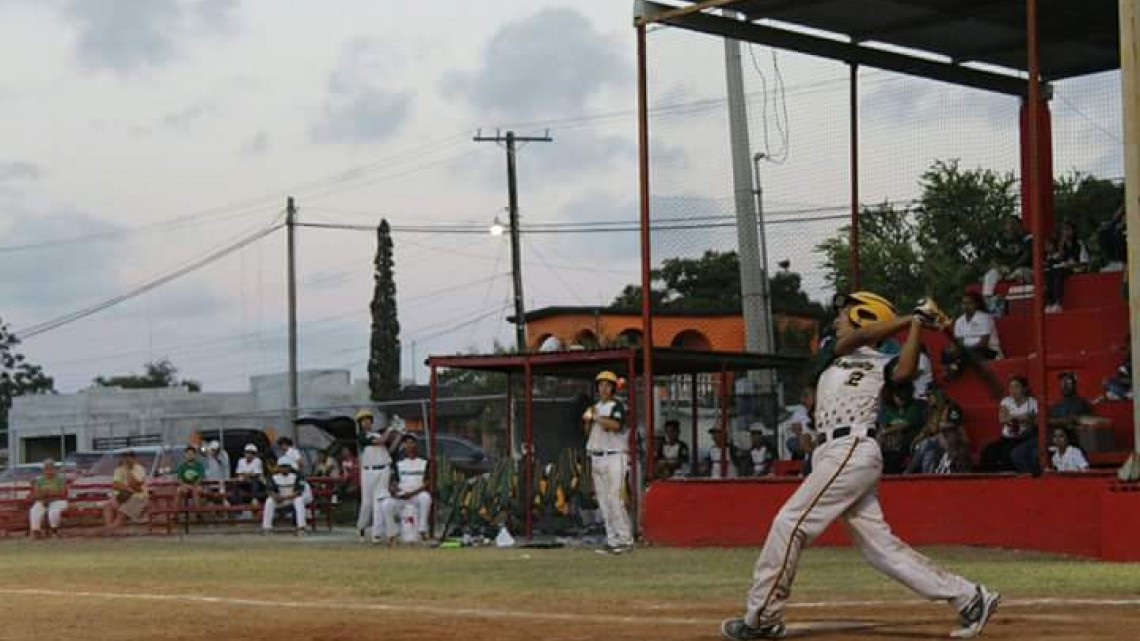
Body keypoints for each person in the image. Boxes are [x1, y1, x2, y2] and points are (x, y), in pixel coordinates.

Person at [720, 291, 999, 641]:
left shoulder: (882, 361)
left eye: (845, 313)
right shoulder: (833, 351)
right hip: (832, 451)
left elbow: (905, 370)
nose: (838, 320)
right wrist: (911, 317)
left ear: (865, 315)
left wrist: (916, 325)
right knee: (880, 549)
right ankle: (970, 597)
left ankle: (762, 617)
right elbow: (859, 337)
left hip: (851, 447)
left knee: (789, 523)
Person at [582, 370, 633, 555]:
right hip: (596, 455)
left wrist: (596, 417)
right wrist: (587, 421)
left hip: (614, 456)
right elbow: (588, 432)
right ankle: (612, 540)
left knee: (615, 499)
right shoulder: (594, 407)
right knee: (603, 502)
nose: (603, 389)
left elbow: (615, 425)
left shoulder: (617, 405)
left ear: (613, 388)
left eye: (607, 385)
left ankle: (625, 540)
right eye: (601, 385)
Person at [377, 434, 433, 544]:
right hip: (402, 496)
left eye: (411, 442)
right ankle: (392, 534)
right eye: (406, 443)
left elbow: (427, 482)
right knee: (386, 504)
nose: (409, 445)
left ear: (416, 444)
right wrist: (394, 490)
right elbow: (393, 481)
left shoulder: (424, 461)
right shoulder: (398, 461)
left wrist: (412, 493)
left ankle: (422, 530)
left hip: (416, 494)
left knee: (426, 498)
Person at [355, 408, 401, 540]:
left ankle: (377, 533)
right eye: (363, 421)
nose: (366, 423)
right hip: (368, 471)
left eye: (368, 420)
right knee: (367, 503)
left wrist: (400, 435)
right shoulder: (362, 436)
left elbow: (390, 450)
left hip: (383, 469)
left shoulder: (377, 434)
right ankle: (361, 526)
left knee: (379, 501)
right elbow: (380, 441)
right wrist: (390, 428)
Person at [980, 376, 1037, 473]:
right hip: (1007, 437)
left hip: (1023, 437)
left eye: (1016, 387)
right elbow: (1002, 419)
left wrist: (1012, 417)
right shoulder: (1006, 401)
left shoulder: (1032, 402)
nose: (1013, 390)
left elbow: (1034, 419)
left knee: (1008, 451)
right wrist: (1024, 417)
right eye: (1011, 387)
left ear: (1024, 389)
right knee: (988, 450)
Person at [942, 292, 1002, 380]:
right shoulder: (959, 321)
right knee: (947, 353)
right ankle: (954, 368)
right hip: (967, 352)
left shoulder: (984, 318)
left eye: (969, 303)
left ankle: (954, 370)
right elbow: (959, 342)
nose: (966, 306)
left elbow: (983, 343)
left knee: (968, 354)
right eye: (964, 304)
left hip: (988, 350)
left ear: (976, 304)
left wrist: (965, 347)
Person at [877, 383, 926, 474]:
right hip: (889, 446)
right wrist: (883, 433)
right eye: (898, 396)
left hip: (907, 442)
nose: (901, 398)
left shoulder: (915, 406)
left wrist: (886, 431)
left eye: (903, 395)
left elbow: (906, 424)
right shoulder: (888, 409)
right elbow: (882, 426)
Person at [1044, 220, 1090, 313]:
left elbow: (1084, 262)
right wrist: (1061, 246)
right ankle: (1050, 302)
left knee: (1058, 273)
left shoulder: (1079, 244)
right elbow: (1058, 258)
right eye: (1064, 230)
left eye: (1068, 229)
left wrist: (1071, 264)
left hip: (1077, 268)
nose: (1066, 232)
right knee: (1049, 273)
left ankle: (1058, 302)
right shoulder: (1061, 245)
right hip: (1065, 267)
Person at [261, 457, 312, 536]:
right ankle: (267, 528)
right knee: (269, 501)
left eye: (286, 466)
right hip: (279, 500)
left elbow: (299, 491)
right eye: (282, 467)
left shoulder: (298, 475)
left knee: (299, 500)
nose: (284, 469)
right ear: (278, 467)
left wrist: (286, 497)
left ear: (290, 467)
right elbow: (269, 490)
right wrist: (276, 496)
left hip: (292, 499)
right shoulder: (272, 476)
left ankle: (301, 528)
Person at [103, 450, 148, 532]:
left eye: (128, 458)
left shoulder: (139, 469)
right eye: (124, 458)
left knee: (122, 512)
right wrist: (126, 488)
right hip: (123, 495)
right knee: (108, 506)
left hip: (138, 496)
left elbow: (134, 485)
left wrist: (128, 471)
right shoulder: (119, 469)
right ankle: (109, 528)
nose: (126, 460)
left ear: (134, 459)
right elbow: (115, 485)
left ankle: (112, 529)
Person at [28, 459, 68, 538]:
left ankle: (54, 531)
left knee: (53, 511)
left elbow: (63, 493)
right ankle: (36, 531)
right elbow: (36, 493)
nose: (49, 471)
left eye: (51, 469)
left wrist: (52, 493)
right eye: (46, 469)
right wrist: (43, 495)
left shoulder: (60, 479)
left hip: (58, 500)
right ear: (44, 470)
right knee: (34, 510)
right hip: (43, 500)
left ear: (54, 469)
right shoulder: (39, 480)